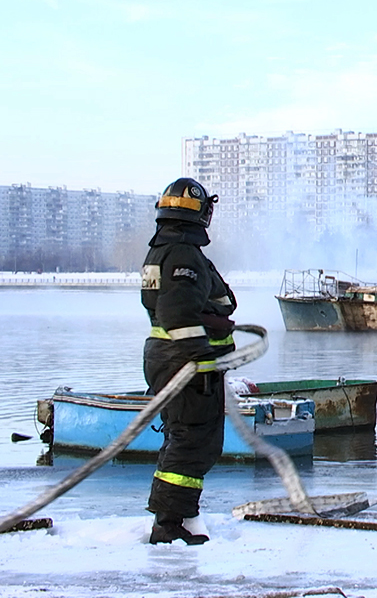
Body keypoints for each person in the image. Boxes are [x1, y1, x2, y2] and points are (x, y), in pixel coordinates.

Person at [141, 178, 237, 545]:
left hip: (169, 359)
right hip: (184, 362)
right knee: (192, 442)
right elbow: (177, 315)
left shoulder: (166, 249)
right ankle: (169, 524)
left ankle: (176, 514)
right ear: (201, 213)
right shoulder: (182, 254)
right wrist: (200, 356)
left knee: (184, 438)